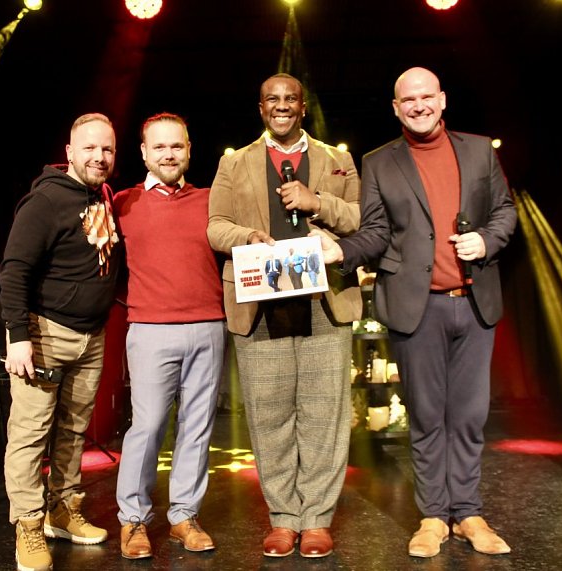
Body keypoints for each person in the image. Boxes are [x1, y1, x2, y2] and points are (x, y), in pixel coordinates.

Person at [316, 67, 515, 558]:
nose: (419, 105)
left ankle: (467, 513)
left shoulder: (478, 150)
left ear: (442, 101)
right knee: (427, 416)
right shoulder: (380, 162)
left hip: (473, 305)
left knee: (467, 416)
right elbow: (377, 232)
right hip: (416, 308)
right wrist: (342, 252)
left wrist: (486, 240)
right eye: (409, 99)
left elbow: (506, 212)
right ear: (396, 106)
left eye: (427, 97)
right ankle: (432, 517)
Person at [207, 73, 361, 558]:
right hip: (261, 300)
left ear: (303, 106)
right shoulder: (235, 164)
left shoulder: (338, 160)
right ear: (260, 108)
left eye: (289, 99)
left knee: (323, 414)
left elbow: (362, 217)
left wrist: (320, 203)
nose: (281, 106)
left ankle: (315, 518)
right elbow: (215, 227)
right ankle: (282, 517)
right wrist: (248, 238)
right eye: (272, 100)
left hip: (324, 302)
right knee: (270, 414)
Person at [0, 113, 121, 571]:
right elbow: (14, 271)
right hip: (45, 333)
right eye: (89, 148)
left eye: (107, 149)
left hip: (90, 336)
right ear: (69, 152)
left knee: (72, 432)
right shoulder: (46, 201)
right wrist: (18, 338)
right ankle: (28, 527)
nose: (99, 157)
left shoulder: (102, 196)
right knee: (30, 436)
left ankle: (63, 511)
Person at [113, 113, 225, 559]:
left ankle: (184, 516)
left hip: (208, 326)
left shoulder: (212, 201)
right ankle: (134, 521)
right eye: (158, 147)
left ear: (189, 149)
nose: (168, 154)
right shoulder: (122, 203)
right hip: (150, 329)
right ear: (143, 153)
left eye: (176, 146)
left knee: (197, 429)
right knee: (147, 427)